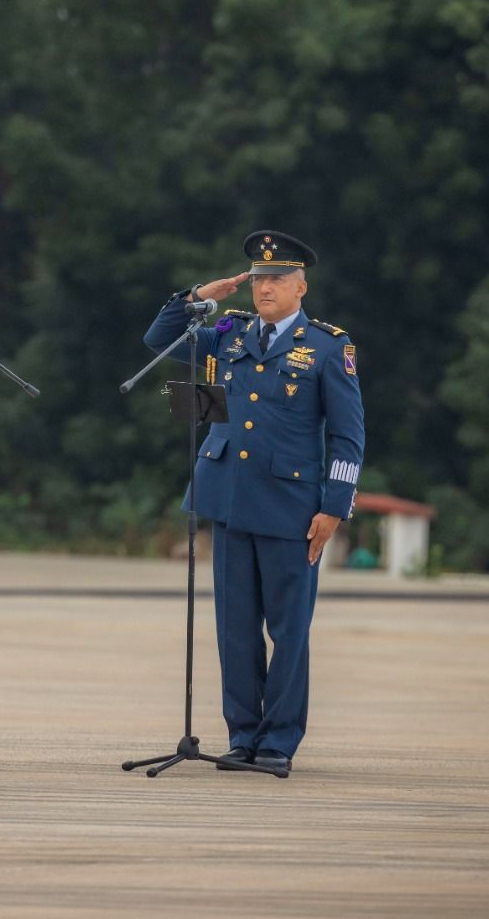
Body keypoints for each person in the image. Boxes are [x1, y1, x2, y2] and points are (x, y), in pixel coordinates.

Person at [142, 230, 364, 777]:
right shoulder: (229, 331)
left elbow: (348, 437)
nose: (265, 288)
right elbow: (159, 339)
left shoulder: (330, 347)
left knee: (288, 630)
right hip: (231, 498)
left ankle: (279, 740)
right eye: (259, 278)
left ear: (300, 287)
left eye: (277, 279)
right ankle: (242, 734)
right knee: (235, 627)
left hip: (292, 506)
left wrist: (334, 506)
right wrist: (201, 296)